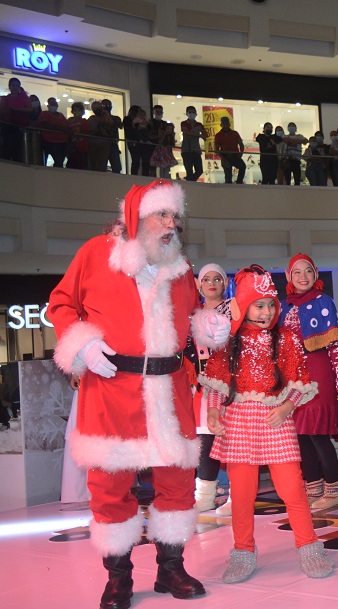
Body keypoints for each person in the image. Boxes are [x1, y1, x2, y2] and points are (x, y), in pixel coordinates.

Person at [47, 180, 232, 609]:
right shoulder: (97, 253)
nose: (171, 225)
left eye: (174, 218)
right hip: (113, 385)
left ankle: (171, 568)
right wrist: (84, 345)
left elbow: (189, 319)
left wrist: (208, 327)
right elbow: (60, 304)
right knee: (110, 483)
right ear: (137, 218)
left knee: (177, 480)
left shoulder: (181, 267)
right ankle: (119, 577)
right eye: (162, 216)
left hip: (170, 389)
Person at [199, 265, 335, 583]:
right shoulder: (229, 342)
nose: (266, 311)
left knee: (293, 491)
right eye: (259, 304)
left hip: (275, 420)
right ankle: (243, 551)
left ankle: (309, 547)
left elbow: (299, 380)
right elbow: (218, 383)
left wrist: (287, 406)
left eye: (271, 304)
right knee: (243, 495)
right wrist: (214, 414)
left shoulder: (285, 338)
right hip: (238, 423)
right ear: (244, 305)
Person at [281, 254, 338, 509]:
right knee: (301, 435)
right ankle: (313, 488)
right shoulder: (283, 306)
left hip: (318, 373)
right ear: (289, 277)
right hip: (292, 378)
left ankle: (332, 490)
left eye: (307, 271)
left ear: (316, 274)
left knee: (318, 434)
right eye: (296, 272)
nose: (302, 276)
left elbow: (334, 347)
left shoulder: (324, 302)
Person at [186, 264, 234, 514]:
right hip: (203, 387)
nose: (212, 283)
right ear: (199, 284)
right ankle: (204, 496)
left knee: (233, 441)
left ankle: (237, 496)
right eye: (206, 279)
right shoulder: (192, 315)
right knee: (205, 441)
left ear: (225, 283)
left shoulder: (232, 310)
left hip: (230, 385)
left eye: (217, 279)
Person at [0, 77, 31, 162]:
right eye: (13, 85)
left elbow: (30, 110)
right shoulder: (4, 99)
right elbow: (2, 112)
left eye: (17, 85)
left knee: (17, 150)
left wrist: (16, 109)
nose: (15, 87)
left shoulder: (25, 98)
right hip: (7, 127)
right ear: (9, 86)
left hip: (19, 127)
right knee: (6, 149)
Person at [35, 97, 71, 167]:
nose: (54, 105)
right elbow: (46, 126)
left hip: (63, 142)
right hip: (50, 141)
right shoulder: (44, 114)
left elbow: (66, 125)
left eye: (55, 103)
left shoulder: (61, 115)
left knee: (60, 160)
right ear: (48, 105)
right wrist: (62, 130)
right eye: (51, 103)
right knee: (58, 160)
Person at [214, 116, 246, 184]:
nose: (225, 125)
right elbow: (216, 149)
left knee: (243, 166)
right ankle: (230, 189)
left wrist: (241, 153)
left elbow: (241, 144)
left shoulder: (235, 133)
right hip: (225, 157)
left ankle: (239, 182)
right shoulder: (218, 135)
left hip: (235, 156)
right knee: (228, 177)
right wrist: (222, 158)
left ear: (229, 124)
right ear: (221, 125)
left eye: (227, 123)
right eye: (224, 123)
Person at [180, 106, 206, 182]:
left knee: (199, 170)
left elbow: (205, 134)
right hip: (186, 149)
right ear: (187, 113)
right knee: (189, 170)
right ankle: (190, 181)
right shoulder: (184, 123)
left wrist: (203, 134)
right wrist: (199, 134)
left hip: (196, 149)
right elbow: (186, 132)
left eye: (193, 112)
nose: (192, 114)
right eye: (190, 112)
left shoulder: (199, 124)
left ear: (196, 113)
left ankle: (190, 181)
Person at [101, 99, 123, 173]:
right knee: (101, 166)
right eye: (104, 105)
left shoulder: (115, 118)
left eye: (108, 105)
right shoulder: (99, 118)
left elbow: (120, 125)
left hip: (113, 144)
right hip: (102, 144)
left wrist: (109, 118)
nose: (106, 107)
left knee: (116, 167)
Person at [66, 102, 90, 170]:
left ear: (82, 111)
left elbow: (84, 131)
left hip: (82, 148)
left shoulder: (84, 121)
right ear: (72, 111)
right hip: (72, 148)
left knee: (82, 167)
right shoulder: (69, 121)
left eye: (79, 110)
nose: (77, 112)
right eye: (75, 110)